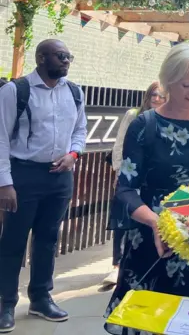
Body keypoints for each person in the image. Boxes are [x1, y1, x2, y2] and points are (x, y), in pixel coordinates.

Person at [103, 43, 189, 335]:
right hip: (152, 236)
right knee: (147, 318)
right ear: (168, 82)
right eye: (187, 84)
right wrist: (155, 221)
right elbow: (125, 189)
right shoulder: (145, 125)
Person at [0, 39, 87, 333]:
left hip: (60, 176)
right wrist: (5, 183)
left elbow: (80, 129)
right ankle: (6, 303)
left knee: (48, 239)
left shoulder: (74, 92)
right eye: (61, 56)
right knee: (13, 240)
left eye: (68, 56)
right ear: (41, 58)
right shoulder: (16, 91)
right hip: (23, 174)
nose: (66, 61)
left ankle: (40, 297)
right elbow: (0, 139)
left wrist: (73, 154)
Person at [103, 81, 166, 286]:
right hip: (131, 177)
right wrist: (120, 175)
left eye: (161, 96)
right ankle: (116, 265)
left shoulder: (167, 119)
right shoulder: (134, 115)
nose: (156, 99)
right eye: (153, 95)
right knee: (122, 221)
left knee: (146, 224)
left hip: (152, 180)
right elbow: (119, 145)